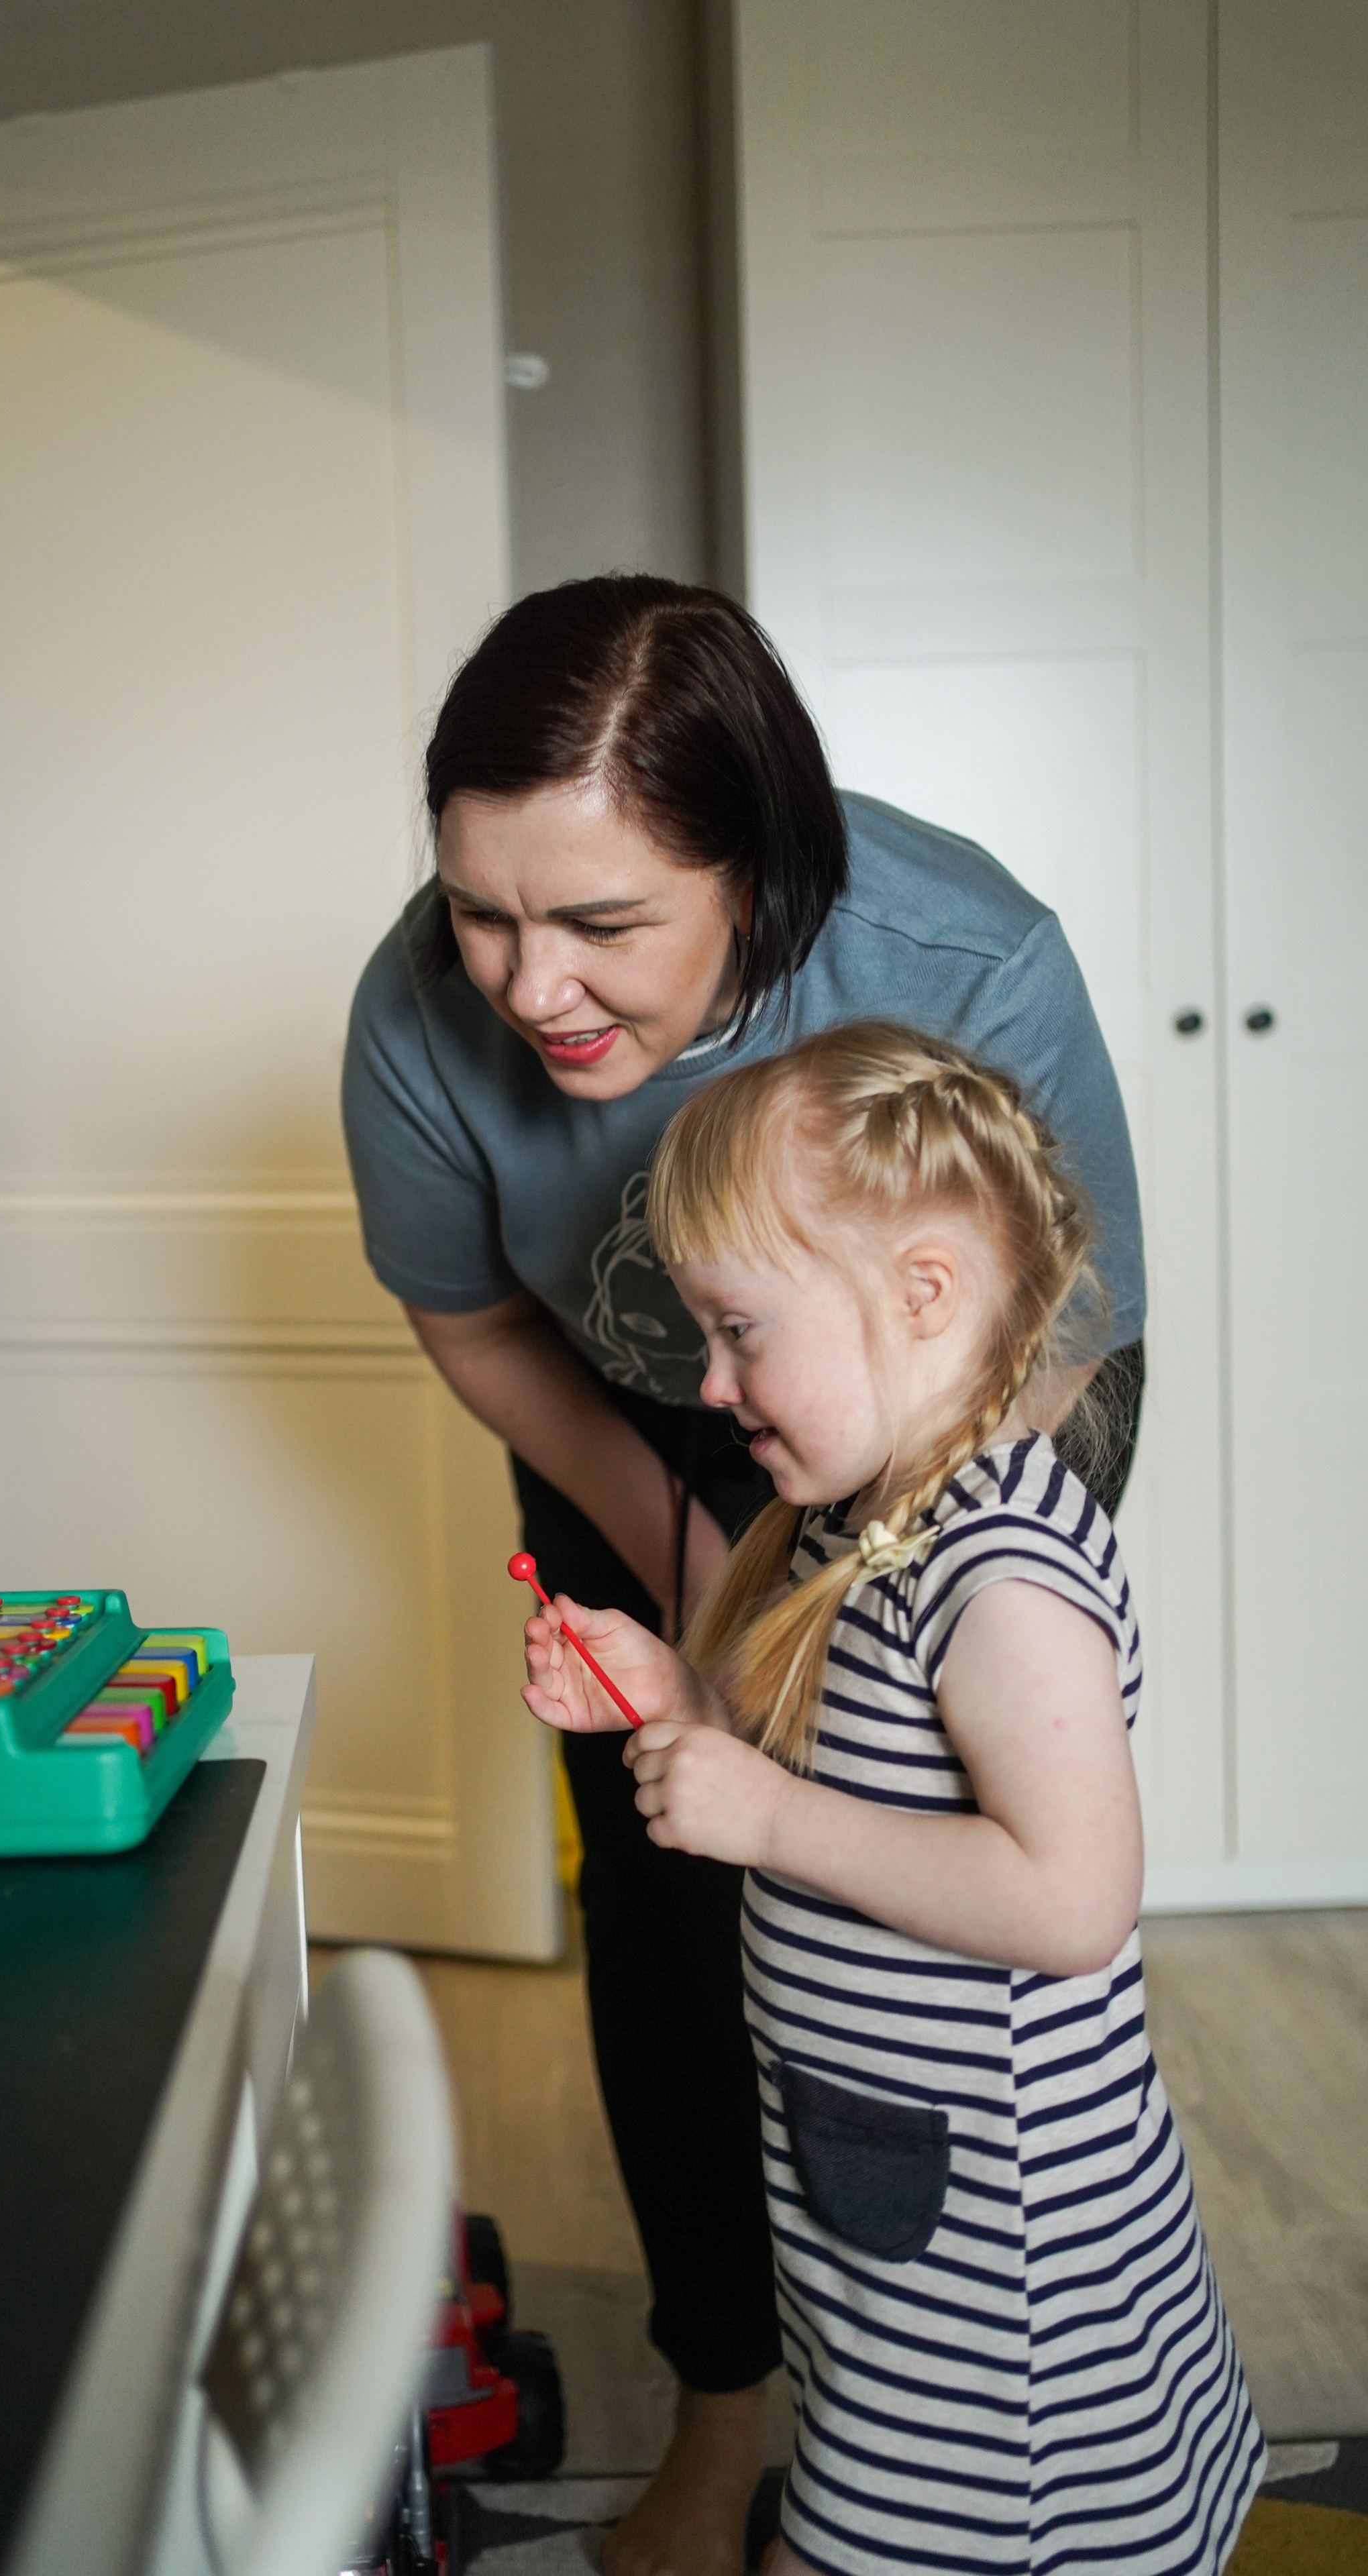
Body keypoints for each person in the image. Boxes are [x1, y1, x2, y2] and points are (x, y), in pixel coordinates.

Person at [341, 576, 1147, 2576]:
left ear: (761, 869)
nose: (529, 988)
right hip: (635, 1433)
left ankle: (979, 2388)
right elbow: (473, 1319)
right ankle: (729, 2407)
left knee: (916, 1910)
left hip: (934, 1442)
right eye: (482, 911)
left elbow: (1057, 1346)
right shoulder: (413, 1018)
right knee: (675, 1909)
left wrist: (864, 1615)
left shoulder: (972, 959)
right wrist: (696, 1584)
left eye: (604, 925)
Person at [521, 1024, 1263, 2576]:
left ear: (920, 1295)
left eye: (735, 1332)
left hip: (1002, 2252)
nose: (711, 1387)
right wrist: (672, 1696)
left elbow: (1068, 1902)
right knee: (874, 2474)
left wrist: (763, 1825)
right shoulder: (867, 1520)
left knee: (942, 2529)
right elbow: (829, 1753)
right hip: (888, 2162)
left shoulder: (1001, 1578)